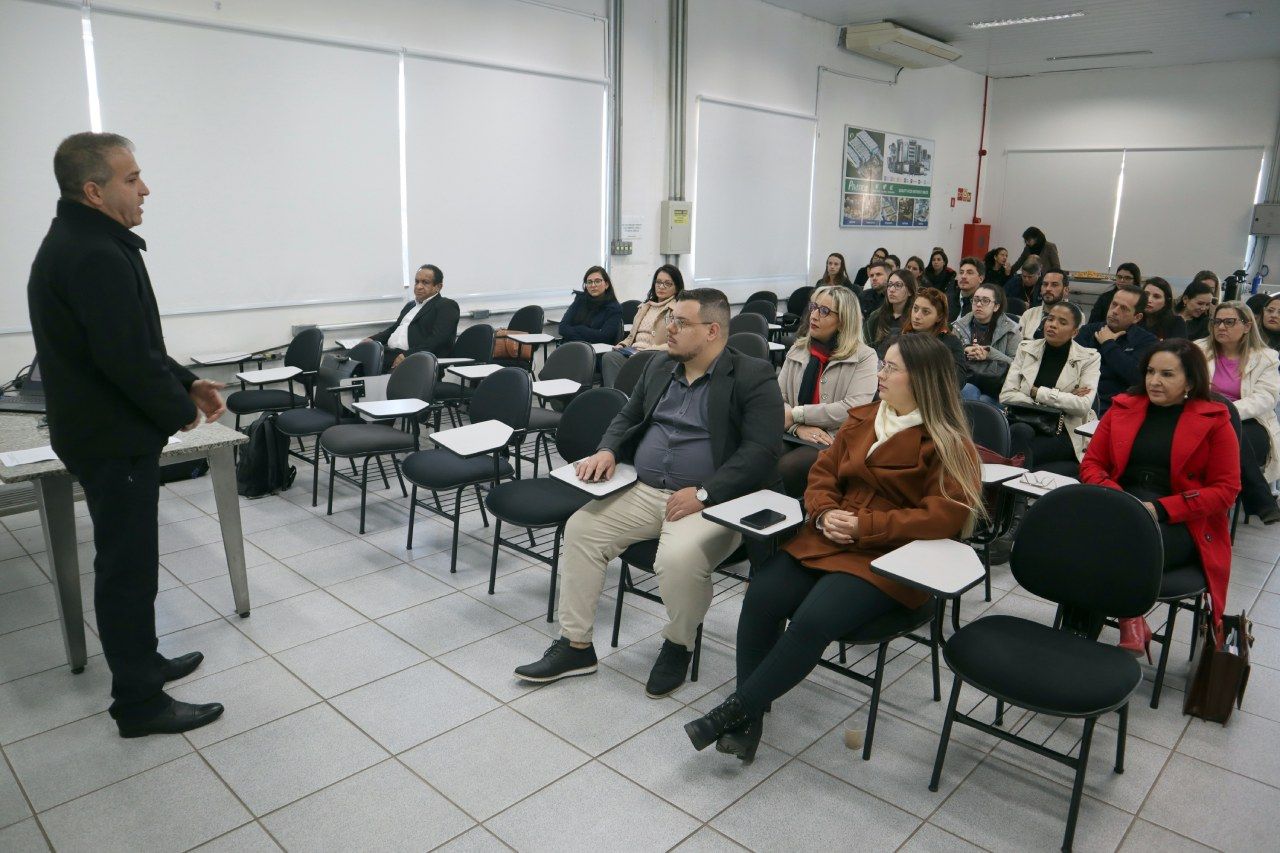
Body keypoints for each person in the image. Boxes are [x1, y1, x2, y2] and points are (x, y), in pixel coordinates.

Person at [682, 334, 985, 763]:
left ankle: (738, 709)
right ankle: (749, 714)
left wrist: (866, 525)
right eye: (883, 365)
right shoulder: (863, 419)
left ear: (922, 380)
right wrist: (823, 514)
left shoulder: (948, 442)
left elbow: (942, 518)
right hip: (831, 536)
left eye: (891, 368)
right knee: (762, 596)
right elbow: (821, 476)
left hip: (892, 556)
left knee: (813, 618)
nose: (880, 374)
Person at [26, 132, 225, 738]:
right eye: (131, 178)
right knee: (127, 569)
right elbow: (124, 360)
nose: (145, 188)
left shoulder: (89, 241)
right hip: (112, 440)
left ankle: (146, 661)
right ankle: (137, 703)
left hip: (101, 433)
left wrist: (186, 382)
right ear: (94, 189)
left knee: (130, 561)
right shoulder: (92, 254)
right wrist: (179, 411)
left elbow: (137, 341)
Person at [514, 289, 782, 696]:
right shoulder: (660, 364)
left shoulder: (752, 375)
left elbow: (761, 452)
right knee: (581, 530)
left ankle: (678, 644)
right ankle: (576, 645)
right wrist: (607, 449)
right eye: (669, 319)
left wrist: (706, 493)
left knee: (677, 558)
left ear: (712, 331)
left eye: (680, 322)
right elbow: (629, 414)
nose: (668, 329)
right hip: (644, 489)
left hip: (713, 502)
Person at [1080, 340, 1240, 654]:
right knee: (1095, 536)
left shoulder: (1215, 420)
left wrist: (1159, 509)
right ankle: (1129, 618)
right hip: (1121, 506)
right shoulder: (1124, 406)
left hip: (1181, 520)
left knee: (1106, 546)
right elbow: (1092, 464)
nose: (1154, 381)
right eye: (1151, 371)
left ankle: (1082, 634)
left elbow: (1225, 491)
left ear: (1190, 382)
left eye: (1167, 374)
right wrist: (1122, 502)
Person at [776, 286, 877, 496]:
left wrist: (797, 414)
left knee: (787, 468)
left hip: (834, 439)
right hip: (794, 432)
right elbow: (778, 399)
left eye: (824, 311)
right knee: (759, 456)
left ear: (843, 321)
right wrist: (797, 427)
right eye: (814, 307)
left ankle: (790, 524)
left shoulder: (865, 356)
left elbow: (853, 408)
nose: (813, 315)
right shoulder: (799, 349)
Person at [1196, 302, 1280, 523]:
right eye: (1217, 321)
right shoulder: (1197, 350)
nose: (1221, 327)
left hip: (1251, 422)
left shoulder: (1266, 357)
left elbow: (1266, 398)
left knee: (1231, 434)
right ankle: (1261, 501)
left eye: (1229, 322)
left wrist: (1227, 411)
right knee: (1226, 436)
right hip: (1202, 417)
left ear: (1247, 326)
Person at [1000, 302, 1101, 475]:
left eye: (1062, 322)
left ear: (1075, 332)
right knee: (1019, 432)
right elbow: (1007, 395)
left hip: (1064, 431)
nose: (1052, 324)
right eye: (1050, 319)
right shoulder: (1026, 348)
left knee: (1018, 451)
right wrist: (1062, 398)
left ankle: (1013, 496)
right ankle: (1020, 496)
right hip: (1025, 421)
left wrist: (1037, 392)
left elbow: (1082, 406)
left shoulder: (1089, 358)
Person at [1075, 284, 1158, 414]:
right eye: (1114, 304)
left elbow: (1136, 377)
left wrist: (1108, 344)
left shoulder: (1147, 341)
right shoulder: (1088, 331)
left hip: (1116, 409)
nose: (1115, 311)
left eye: (1124, 308)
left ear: (1137, 317)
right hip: (1078, 401)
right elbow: (1071, 367)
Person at [600, 264, 684, 387]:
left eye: (667, 284)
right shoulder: (645, 307)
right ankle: (614, 396)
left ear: (676, 287)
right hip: (633, 352)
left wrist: (648, 350)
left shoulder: (677, 310)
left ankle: (628, 397)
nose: (661, 286)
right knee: (609, 357)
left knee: (637, 365)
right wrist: (622, 345)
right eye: (658, 282)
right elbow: (632, 336)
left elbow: (676, 343)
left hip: (654, 355)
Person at [366, 263, 460, 371]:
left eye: (425, 283)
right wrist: (371, 340)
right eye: (417, 282)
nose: (418, 286)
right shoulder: (410, 305)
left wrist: (408, 355)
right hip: (392, 353)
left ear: (438, 287)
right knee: (359, 357)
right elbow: (393, 329)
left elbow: (437, 339)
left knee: (367, 369)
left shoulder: (446, 305)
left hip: (418, 360)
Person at [956, 282, 1021, 406]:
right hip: (967, 380)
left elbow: (1017, 366)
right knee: (968, 390)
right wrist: (965, 350)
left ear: (996, 306)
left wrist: (989, 353)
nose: (979, 304)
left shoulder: (1011, 331)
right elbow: (949, 358)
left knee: (984, 400)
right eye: (976, 300)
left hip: (997, 388)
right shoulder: (960, 326)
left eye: (985, 301)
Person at [904, 286, 970, 388]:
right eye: (915, 309)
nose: (917, 316)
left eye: (925, 312)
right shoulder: (901, 337)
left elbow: (958, 380)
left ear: (939, 317)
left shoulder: (951, 343)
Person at [558, 265, 622, 344]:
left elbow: (605, 337)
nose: (593, 285)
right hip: (572, 347)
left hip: (596, 351)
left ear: (606, 284)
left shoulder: (614, 308)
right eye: (589, 282)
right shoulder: (580, 300)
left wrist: (581, 329)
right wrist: (584, 340)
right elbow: (562, 327)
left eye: (597, 281)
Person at [863, 268, 917, 356]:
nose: (891, 289)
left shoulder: (915, 318)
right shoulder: (876, 315)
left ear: (910, 291)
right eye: (890, 285)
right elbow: (865, 344)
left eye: (898, 285)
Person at [1017, 267, 1070, 340]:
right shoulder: (1029, 314)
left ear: (1066, 290)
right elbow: (1016, 342)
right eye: (1045, 284)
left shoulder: (1074, 317)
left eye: (1054, 285)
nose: (1048, 288)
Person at [1140, 277, 1189, 341]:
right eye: (1146, 294)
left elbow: (1179, 349)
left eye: (1156, 296)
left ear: (1166, 301)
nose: (1149, 300)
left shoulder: (1176, 323)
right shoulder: (1135, 319)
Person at [949, 255, 985, 322]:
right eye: (961, 272)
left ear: (981, 279)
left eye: (969, 273)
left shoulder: (984, 305)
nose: (963, 276)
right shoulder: (946, 300)